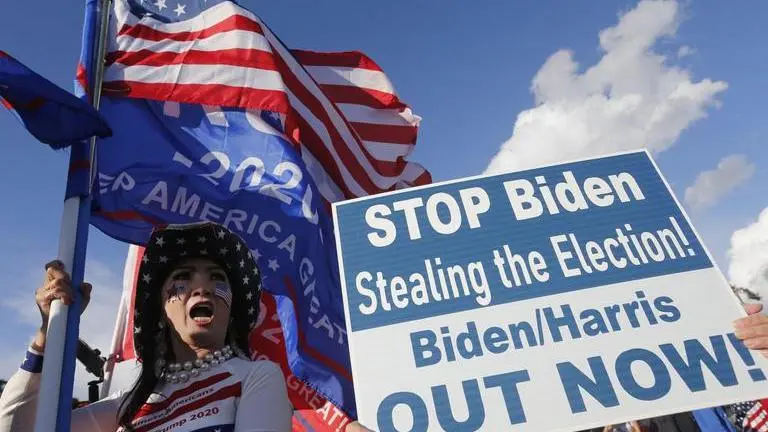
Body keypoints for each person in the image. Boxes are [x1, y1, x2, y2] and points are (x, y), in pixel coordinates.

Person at [0, 222, 293, 431]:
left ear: (233, 309)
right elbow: (20, 428)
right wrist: (49, 333)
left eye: (217, 278)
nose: (202, 288)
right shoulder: (127, 405)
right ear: (162, 308)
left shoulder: (257, 376)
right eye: (184, 276)